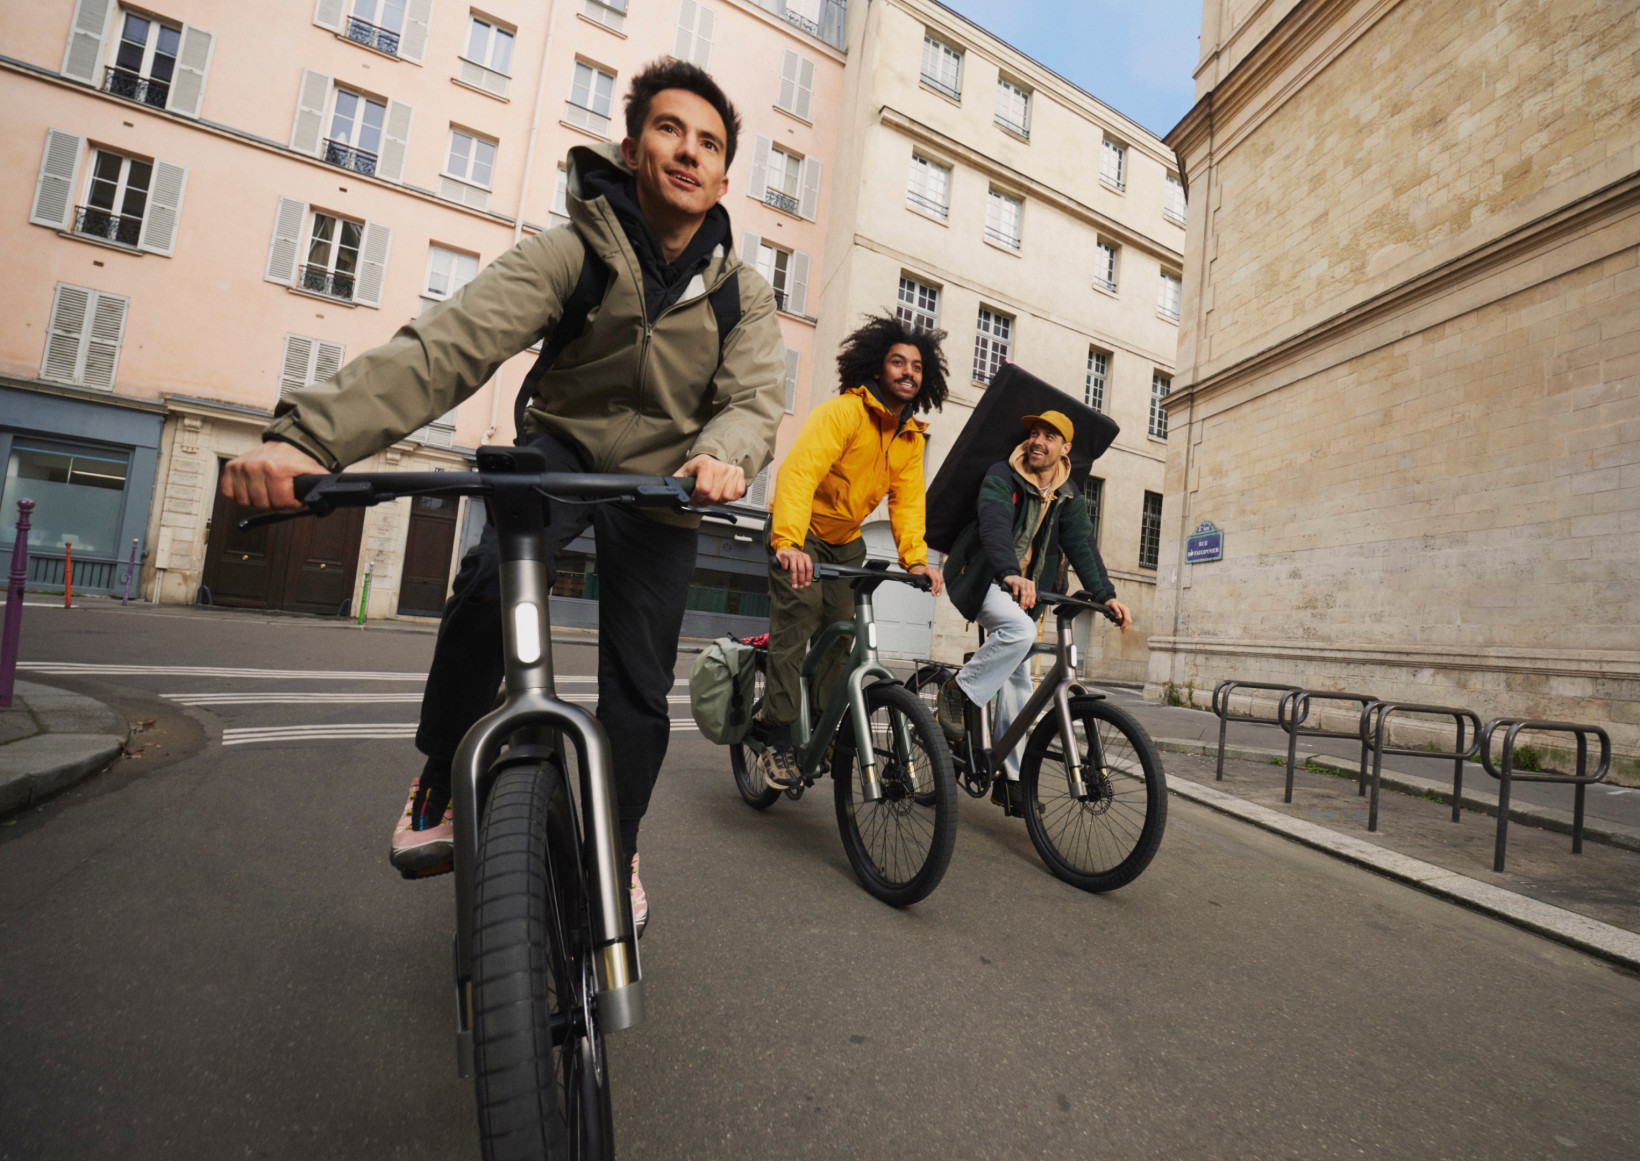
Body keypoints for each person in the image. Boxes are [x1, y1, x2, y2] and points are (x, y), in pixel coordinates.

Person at [219, 60, 787, 934]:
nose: (689, 151)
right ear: (633, 148)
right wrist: (310, 437)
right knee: (486, 584)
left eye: (709, 144)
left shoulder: (742, 295)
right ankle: (441, 771)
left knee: (639, 687)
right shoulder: (577, 250)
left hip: (667, 483)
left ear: (720, 176)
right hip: (562, 451)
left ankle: (619, 843)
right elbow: (451, 343)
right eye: (671, 131)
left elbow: (753, 400)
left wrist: (723, 454)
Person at [754, 315, 948, 789]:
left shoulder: (908, 437)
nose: (908, 372)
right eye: (897, 362)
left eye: (917, 366)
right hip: (802, 533)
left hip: (846, 543)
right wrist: (790, 543)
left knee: (843, 634)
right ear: (877, 368)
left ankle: (822, 724)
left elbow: (907, 503)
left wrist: (916, 559)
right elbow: (799, 474)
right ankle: (775, 735)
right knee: (799, 616)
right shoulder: (844, 412)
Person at [937, 410, 1132, 812]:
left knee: (1018, 683)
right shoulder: (1001, 476)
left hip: (1029, 594)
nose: (1037, 441)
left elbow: (1082, 546)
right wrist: (1010, 573)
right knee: (1019, 635)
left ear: (1066, 449)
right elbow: (993, 525)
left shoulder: (1068, 494)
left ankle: (1009, 779)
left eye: (1049, 436)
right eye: (1034, 433)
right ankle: (956, 690)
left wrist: (1106, 595)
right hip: (984, 580)